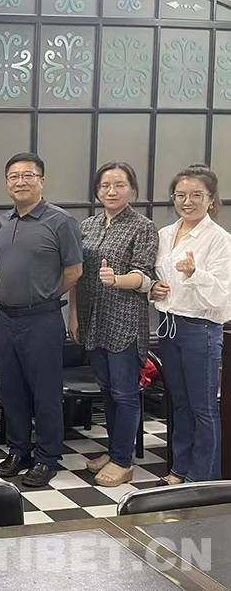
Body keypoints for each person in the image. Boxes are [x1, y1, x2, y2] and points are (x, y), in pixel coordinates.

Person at [0, 153, 83, 487]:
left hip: (42, 320)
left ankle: (47, 457)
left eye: (28, 175)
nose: (20, 182)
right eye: (13, 176)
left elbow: (75, 271)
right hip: (6, 318)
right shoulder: (3, 222)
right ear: (7, 183)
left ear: (41, 182)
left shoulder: (61, 221)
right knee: (11, 389)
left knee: (45, 392)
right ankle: (19, 450)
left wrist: (45, 294)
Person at [68, 163, 157, 487]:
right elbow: (77, 275)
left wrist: (117, 279)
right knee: (107, 391)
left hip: (125, 321)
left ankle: (123, 460)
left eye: (119, 184)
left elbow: (145, 275)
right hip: (93, 318)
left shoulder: (142, 227)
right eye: (105, 185)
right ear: (97, 190)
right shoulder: (87, 226)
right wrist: (73, 315)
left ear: (132, 188)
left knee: (125, 393)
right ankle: (115, 450)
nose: (111, 191)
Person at [150, 164, 231, 483]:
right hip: (169, 326)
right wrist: (154, 290)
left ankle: (203, 479)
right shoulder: (165, 234)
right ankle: (179, 468)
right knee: (180, 403)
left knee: (203, 407)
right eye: (180, 195)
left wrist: (195, 273)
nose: (188, 201)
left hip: (201, 330)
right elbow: (159, 280)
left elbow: (222, 296)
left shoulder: (219, 239)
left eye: (197, 195)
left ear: (211, 198)